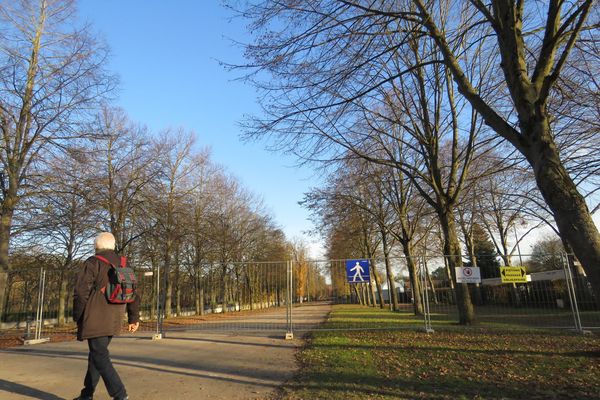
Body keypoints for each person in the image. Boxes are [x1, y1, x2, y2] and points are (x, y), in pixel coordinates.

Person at [72, 232, 140, 400]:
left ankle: (120, 394)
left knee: (100, 356)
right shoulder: (124, 264)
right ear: (113, 246)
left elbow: (81, 293)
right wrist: (133, 318)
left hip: (95, 318)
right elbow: (134, 293)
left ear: (96, 246)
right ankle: (86, 394)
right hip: (115, 318)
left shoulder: (93, 262)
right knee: (96, 354)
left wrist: (78, 316)